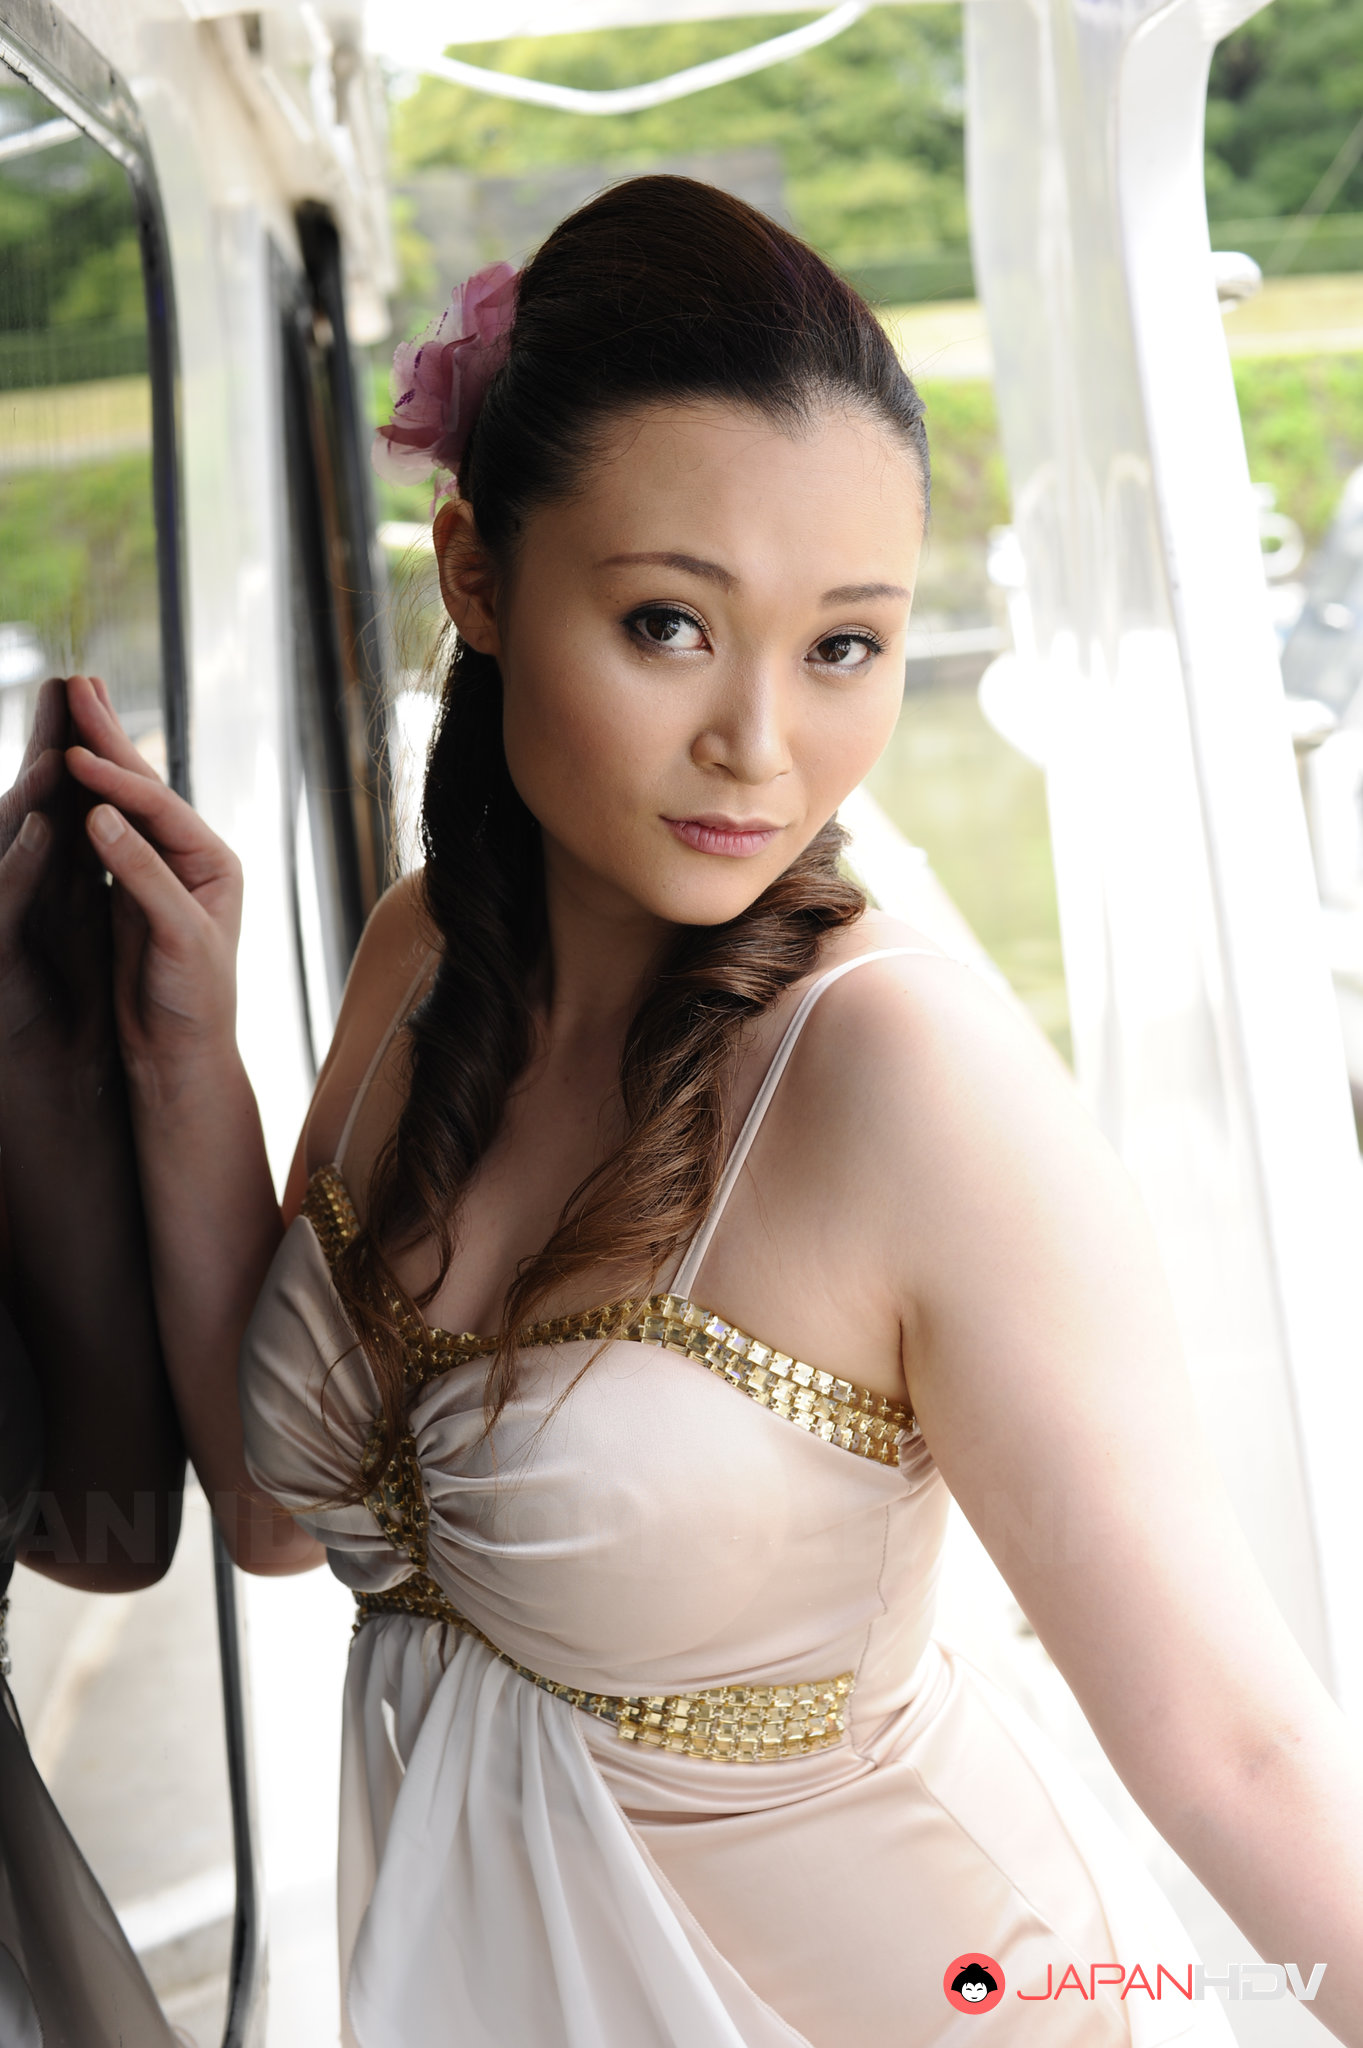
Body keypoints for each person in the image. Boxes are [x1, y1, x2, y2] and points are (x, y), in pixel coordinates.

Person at [58, 177, 1363, 2046]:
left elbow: (1240, 1749)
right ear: (477, 576)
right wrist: (185, 1059)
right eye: (671, 623)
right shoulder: (424, 956)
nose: (762, 743)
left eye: (843, 647)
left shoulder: (901, 1077)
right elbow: (278, 1520)